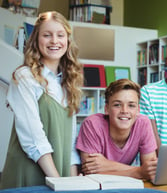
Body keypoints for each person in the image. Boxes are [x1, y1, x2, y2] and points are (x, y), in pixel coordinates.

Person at [0, 11, 83, 189]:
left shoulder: (69, 83)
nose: (54, 41)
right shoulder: (24, 77)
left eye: (60, 35)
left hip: (59, 174)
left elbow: (70, 144)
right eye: (47, 35)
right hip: (30, 173)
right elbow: (34, 139)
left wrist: (73, 182)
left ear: (67, 40)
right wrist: (58, 181)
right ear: (36, 40)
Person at [76, 79, 157, 181]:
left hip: (124, 185)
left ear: (138, 110)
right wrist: (138, 172)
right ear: (106, 109)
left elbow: (151, 171)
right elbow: (91, 172)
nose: (124, 111)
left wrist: (107, 165)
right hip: (93, 186)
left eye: (131, 105)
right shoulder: (92, 124)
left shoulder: (143, 123)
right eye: (117, 105)